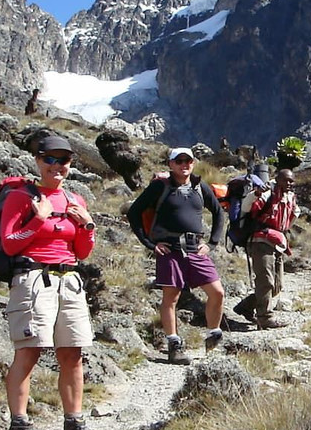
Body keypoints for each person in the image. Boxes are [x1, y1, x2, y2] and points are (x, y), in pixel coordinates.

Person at [0, 135, 102, 430]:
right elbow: (10, 243)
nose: (57, 166)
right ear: (38, 160)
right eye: (50, 159)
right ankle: (18, 428)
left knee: (73, 354)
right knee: (29, 352)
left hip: (69, 279)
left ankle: (73, 424)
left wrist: (86, 227)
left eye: (64, 161)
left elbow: (82, 252)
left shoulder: (76, 200)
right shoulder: (20, 197)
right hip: (33, 279)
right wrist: (39, 219)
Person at [126, 147, 227, 363]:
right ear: (170, 164)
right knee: (171, 297)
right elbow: (134, 212)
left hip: (195, 247)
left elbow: (218, 213)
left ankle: (213, 334)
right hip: (169, 248)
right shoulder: (159, 187)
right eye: (179, 161)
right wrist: (149, 243)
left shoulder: (201, 187)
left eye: (188, 161)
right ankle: (174, 344)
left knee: (217, 292)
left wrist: (212, 243)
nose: (184, 165)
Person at [237, 168, 299, 329]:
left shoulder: (290, 197)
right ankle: (264, 318)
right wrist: (255, 194)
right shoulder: (266, 193)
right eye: (286, 180)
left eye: (292, 181)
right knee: (266, 281)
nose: (289, 184)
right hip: (261, 241)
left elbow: (291, 217)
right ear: (277, 179)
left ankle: (246, 306)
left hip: (278, 243)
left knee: (277, 285)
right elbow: (246, 207)